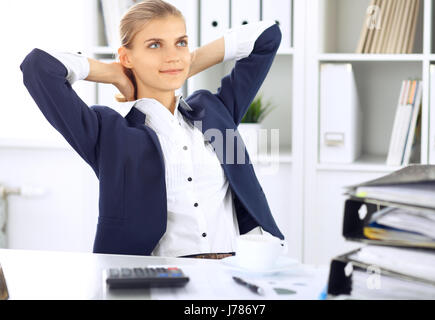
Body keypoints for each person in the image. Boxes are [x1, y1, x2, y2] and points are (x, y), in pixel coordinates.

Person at [20, 0, 284, 259]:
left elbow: (267, 36)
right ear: (126, 56)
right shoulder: (108, 131)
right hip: (160, 275)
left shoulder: (214, 111)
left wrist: (186, 63)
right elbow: (38, 67)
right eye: (155, 45)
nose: (171, 54)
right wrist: (113, 72)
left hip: (236, 268)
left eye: (180, 42)